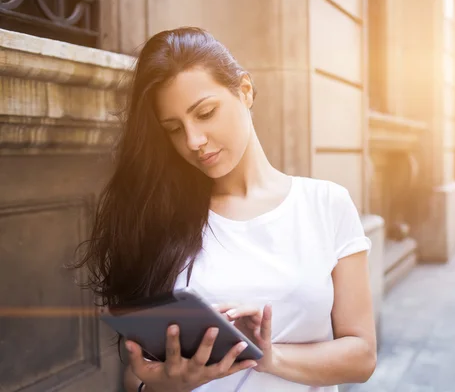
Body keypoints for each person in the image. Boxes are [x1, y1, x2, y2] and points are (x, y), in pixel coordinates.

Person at [75, 26, 376, 392]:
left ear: (244, 91)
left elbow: (361, 357)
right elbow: (139, 373)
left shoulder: (327, 204)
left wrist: (269, 357)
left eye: (205, 113)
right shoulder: (161, 218)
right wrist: (165, 384)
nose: (193, 141)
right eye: (173, 128)